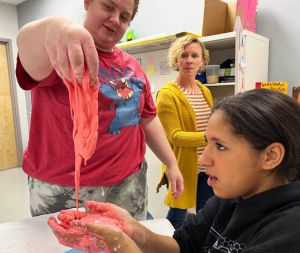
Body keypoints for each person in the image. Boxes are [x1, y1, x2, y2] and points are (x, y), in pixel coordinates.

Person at [52, 88, 300, 252]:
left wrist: (120, 245)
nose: (204, 160)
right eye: (207, 143)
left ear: (270, 156)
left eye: (221, 146)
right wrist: (130, 228)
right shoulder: (229, 200)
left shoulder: (289, 232)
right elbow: (182, 246)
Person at [16, 0, 183, 220]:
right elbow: (26, 45)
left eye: (124, 17)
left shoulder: (132, 66)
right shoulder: (58, 54)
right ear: (87, 3)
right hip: (63, 190)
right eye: (107, 6)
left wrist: (171, 163)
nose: (115, 19)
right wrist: (56, 26)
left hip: (128, 185)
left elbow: (147, 118)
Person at [156, 35, 214, 229]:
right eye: (184, 55)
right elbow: (176, 136)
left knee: (206, 214)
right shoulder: (167, 94)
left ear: (202, 61)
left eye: (194, 55)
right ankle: (167, 247)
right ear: (176, 60)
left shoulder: (204, 90)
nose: (189, 60)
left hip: (206, 166)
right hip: (181, 167)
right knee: (177, 216)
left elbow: (210, 123)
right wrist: (211, 138)